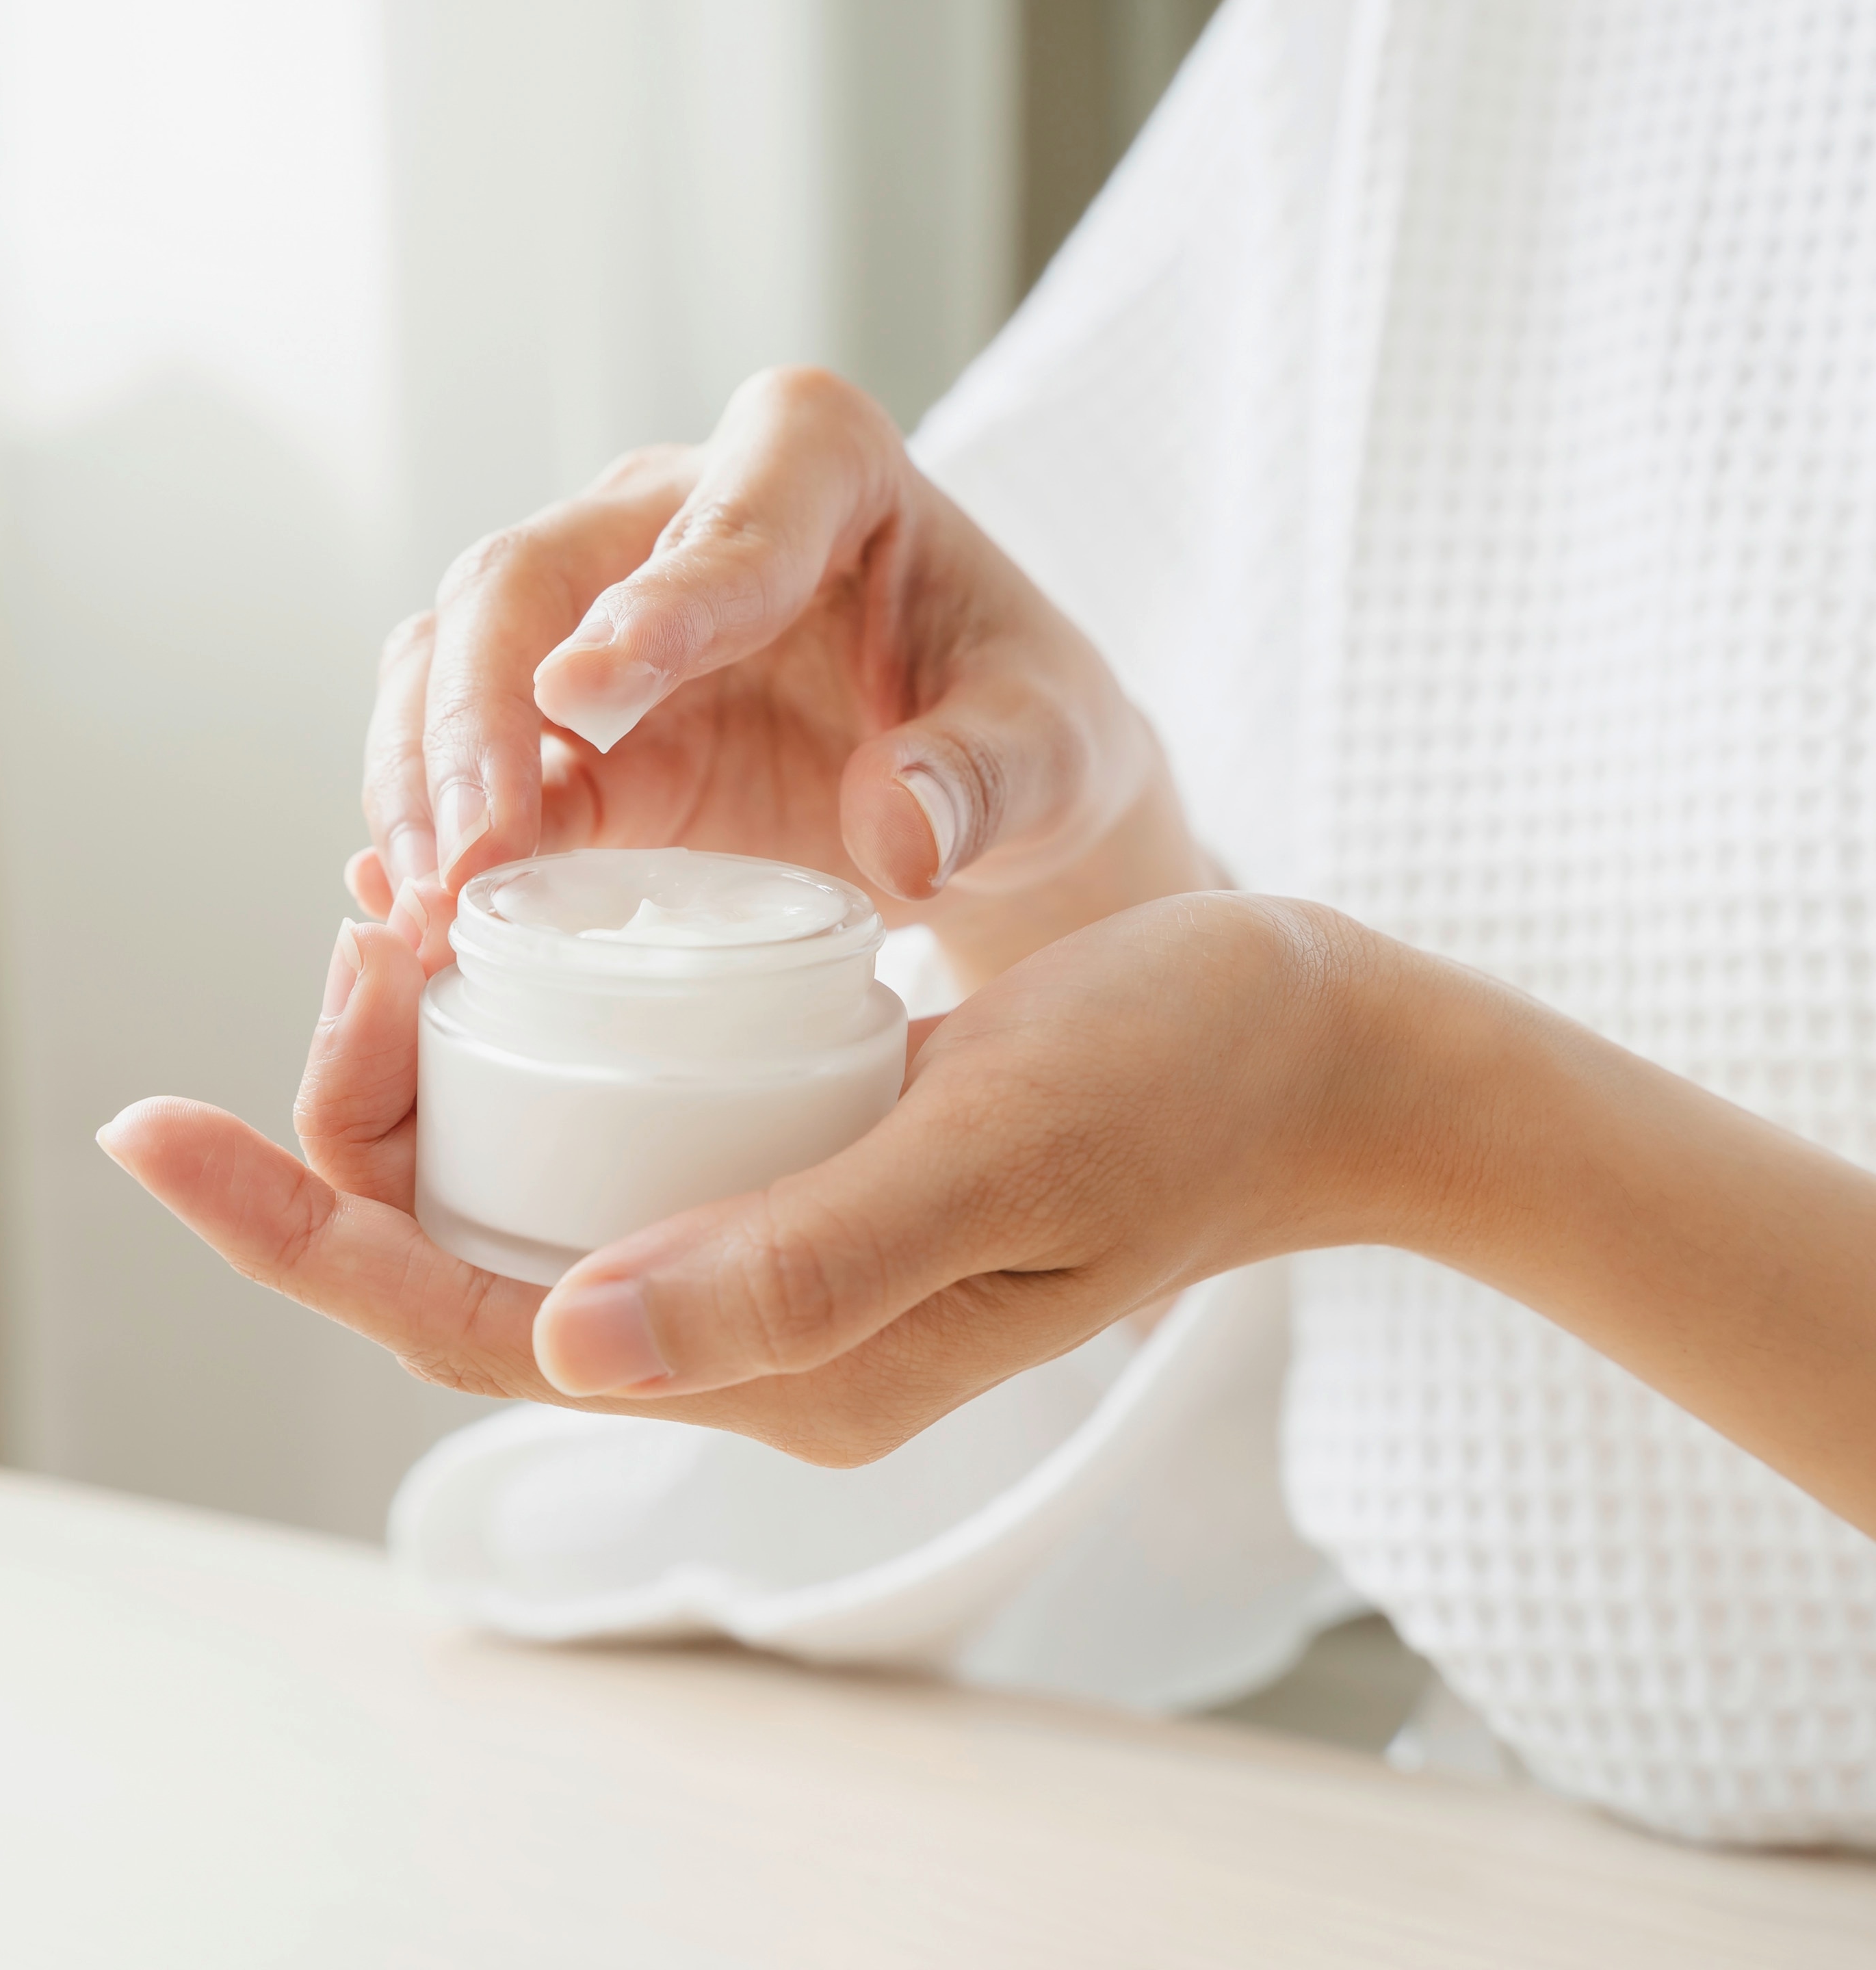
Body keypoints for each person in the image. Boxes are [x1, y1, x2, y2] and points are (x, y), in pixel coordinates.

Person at [101, 0, 1876, 1845]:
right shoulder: (1432, 49)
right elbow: (1239, 1228)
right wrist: (1063, 862)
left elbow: (1336, 1079)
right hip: (1546, 1882)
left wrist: (1392, 1099)